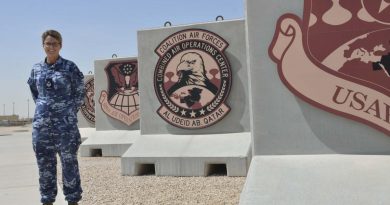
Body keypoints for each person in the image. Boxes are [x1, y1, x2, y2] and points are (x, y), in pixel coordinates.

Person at [27, 30, 84, 205]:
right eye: (48, 43)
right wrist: (45, 110)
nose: (51, 47)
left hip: (65, 127)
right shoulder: (36, 69)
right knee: (44, 165)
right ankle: (47, 199)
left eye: (55, 44)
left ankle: (73, 199)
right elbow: (35, 93)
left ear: (60, 46)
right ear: (43, 45)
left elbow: (80, 92)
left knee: (69, 164)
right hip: (42, 127)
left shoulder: (70, 67)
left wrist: (67, 112)